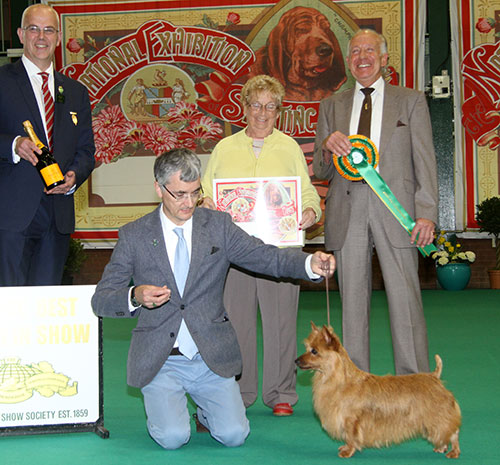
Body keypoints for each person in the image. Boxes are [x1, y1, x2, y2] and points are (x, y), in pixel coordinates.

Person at [91, 148, 334, 450]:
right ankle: (169, 406)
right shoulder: (134, 235)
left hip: (210, 359)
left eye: (195, 193)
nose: (188, 203)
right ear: (158, 188)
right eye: (179, 194)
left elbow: (264, 256)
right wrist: (135, 296)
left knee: (234, 435)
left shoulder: (218, 226)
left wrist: (309, 263)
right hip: (161, 361)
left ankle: (205, 408)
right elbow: (101, 299)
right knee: (172, 438)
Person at [313, 29, 438, 375]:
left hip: (396, 213)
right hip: (347, 212)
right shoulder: (330, 105)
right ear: (348, 60)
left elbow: (425, 161)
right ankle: (355, 386)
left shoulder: (410, 100)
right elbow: (322, 170)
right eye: (355, 52)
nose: (362, 57)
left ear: (384, 59)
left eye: (370, 50)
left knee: (406, 302)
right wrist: (327, 146)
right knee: (352, 307)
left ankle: (414, 384)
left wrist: (425, 213)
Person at [201, 75, 321, 416]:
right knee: (236, 322)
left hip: (281, 253)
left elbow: (308, 191)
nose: (262, 113)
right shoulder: (225, 148)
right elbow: (206, 192)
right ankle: (239, 391)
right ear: (245, 107)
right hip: (235, 253)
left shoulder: (289, 147)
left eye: (270, 106)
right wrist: (207, 203)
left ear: (278, 111)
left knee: (282, 322)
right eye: (256, 105)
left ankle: (281, 393)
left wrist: (311, 210)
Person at [0, 4, 95, 286]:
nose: (41, 37)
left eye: (48, 30)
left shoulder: (76, 91)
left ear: (58, 36)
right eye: (33, 29)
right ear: (20, 34)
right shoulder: (2, 81)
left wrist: (75, 176)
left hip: (58, 217)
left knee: (47, 309)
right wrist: (13, 145)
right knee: (10, 308)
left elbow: (86, 151)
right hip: (12, 217)